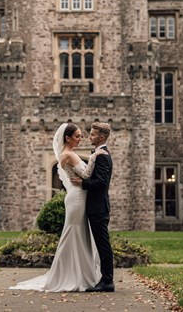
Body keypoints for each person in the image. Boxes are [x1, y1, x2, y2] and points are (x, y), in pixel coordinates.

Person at [9, 122, 108, 292]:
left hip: (78, 197)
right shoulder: (69, 155)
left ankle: (81, 275)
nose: (80, 139)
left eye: (80, 135)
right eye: (77, 136)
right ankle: (68, 275)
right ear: (67, 138)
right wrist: (94, 156)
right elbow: (85, 175)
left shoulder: (68, 154)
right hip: (77, 198)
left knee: (80, 235)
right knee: (73, 234)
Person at [71, 122, 114, 292]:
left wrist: (83, 183)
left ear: (101, 137)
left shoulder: (102, 156)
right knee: (101, 244)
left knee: (103, 244)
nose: (90, 137)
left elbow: (101, 183)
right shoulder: (99, 154)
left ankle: (108, 282)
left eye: (93, 135)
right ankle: (104, 279)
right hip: (96, 207)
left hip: (98, 208)